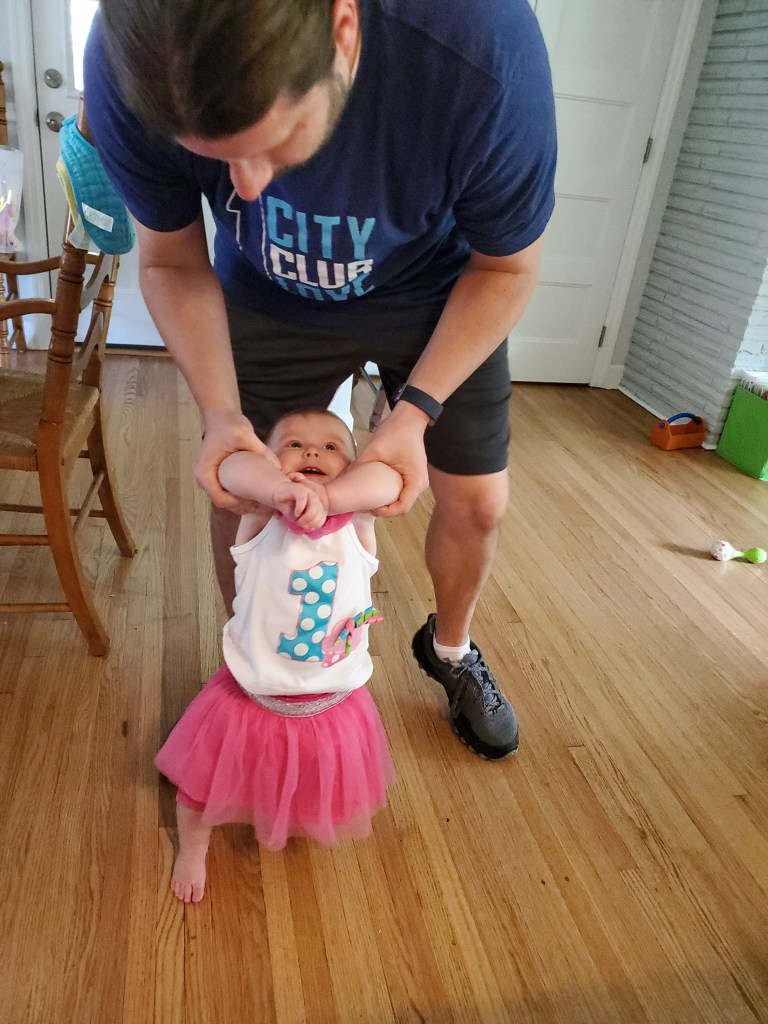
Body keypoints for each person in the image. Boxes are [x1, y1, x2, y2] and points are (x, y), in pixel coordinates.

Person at [84, 0, 557, 761]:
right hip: (265, 295)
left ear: (343, 33)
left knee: (477, 502)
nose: (247, 190)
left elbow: (506, 268)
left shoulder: (481, 52)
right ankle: (255, 664)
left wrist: (412, 414)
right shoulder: (132, 59)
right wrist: (221, 416)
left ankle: (451, 649)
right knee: (243, 494)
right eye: (216, 157)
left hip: (438, 294)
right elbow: (172, 259)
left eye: (273, 143)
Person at [156, 408, 403, 902]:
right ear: (270, 461)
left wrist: (330, 498)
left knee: (306, 781)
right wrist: (276, 491)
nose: (312, 451)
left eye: (332, 447)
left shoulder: (357, 524)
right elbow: (232, 467)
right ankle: (192, 850)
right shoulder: (259, 517)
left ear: (353, 468)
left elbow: (389, 479)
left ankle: (282, 813)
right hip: (249, 698)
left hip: (332, 703)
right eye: (293, 444)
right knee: (202, 789)